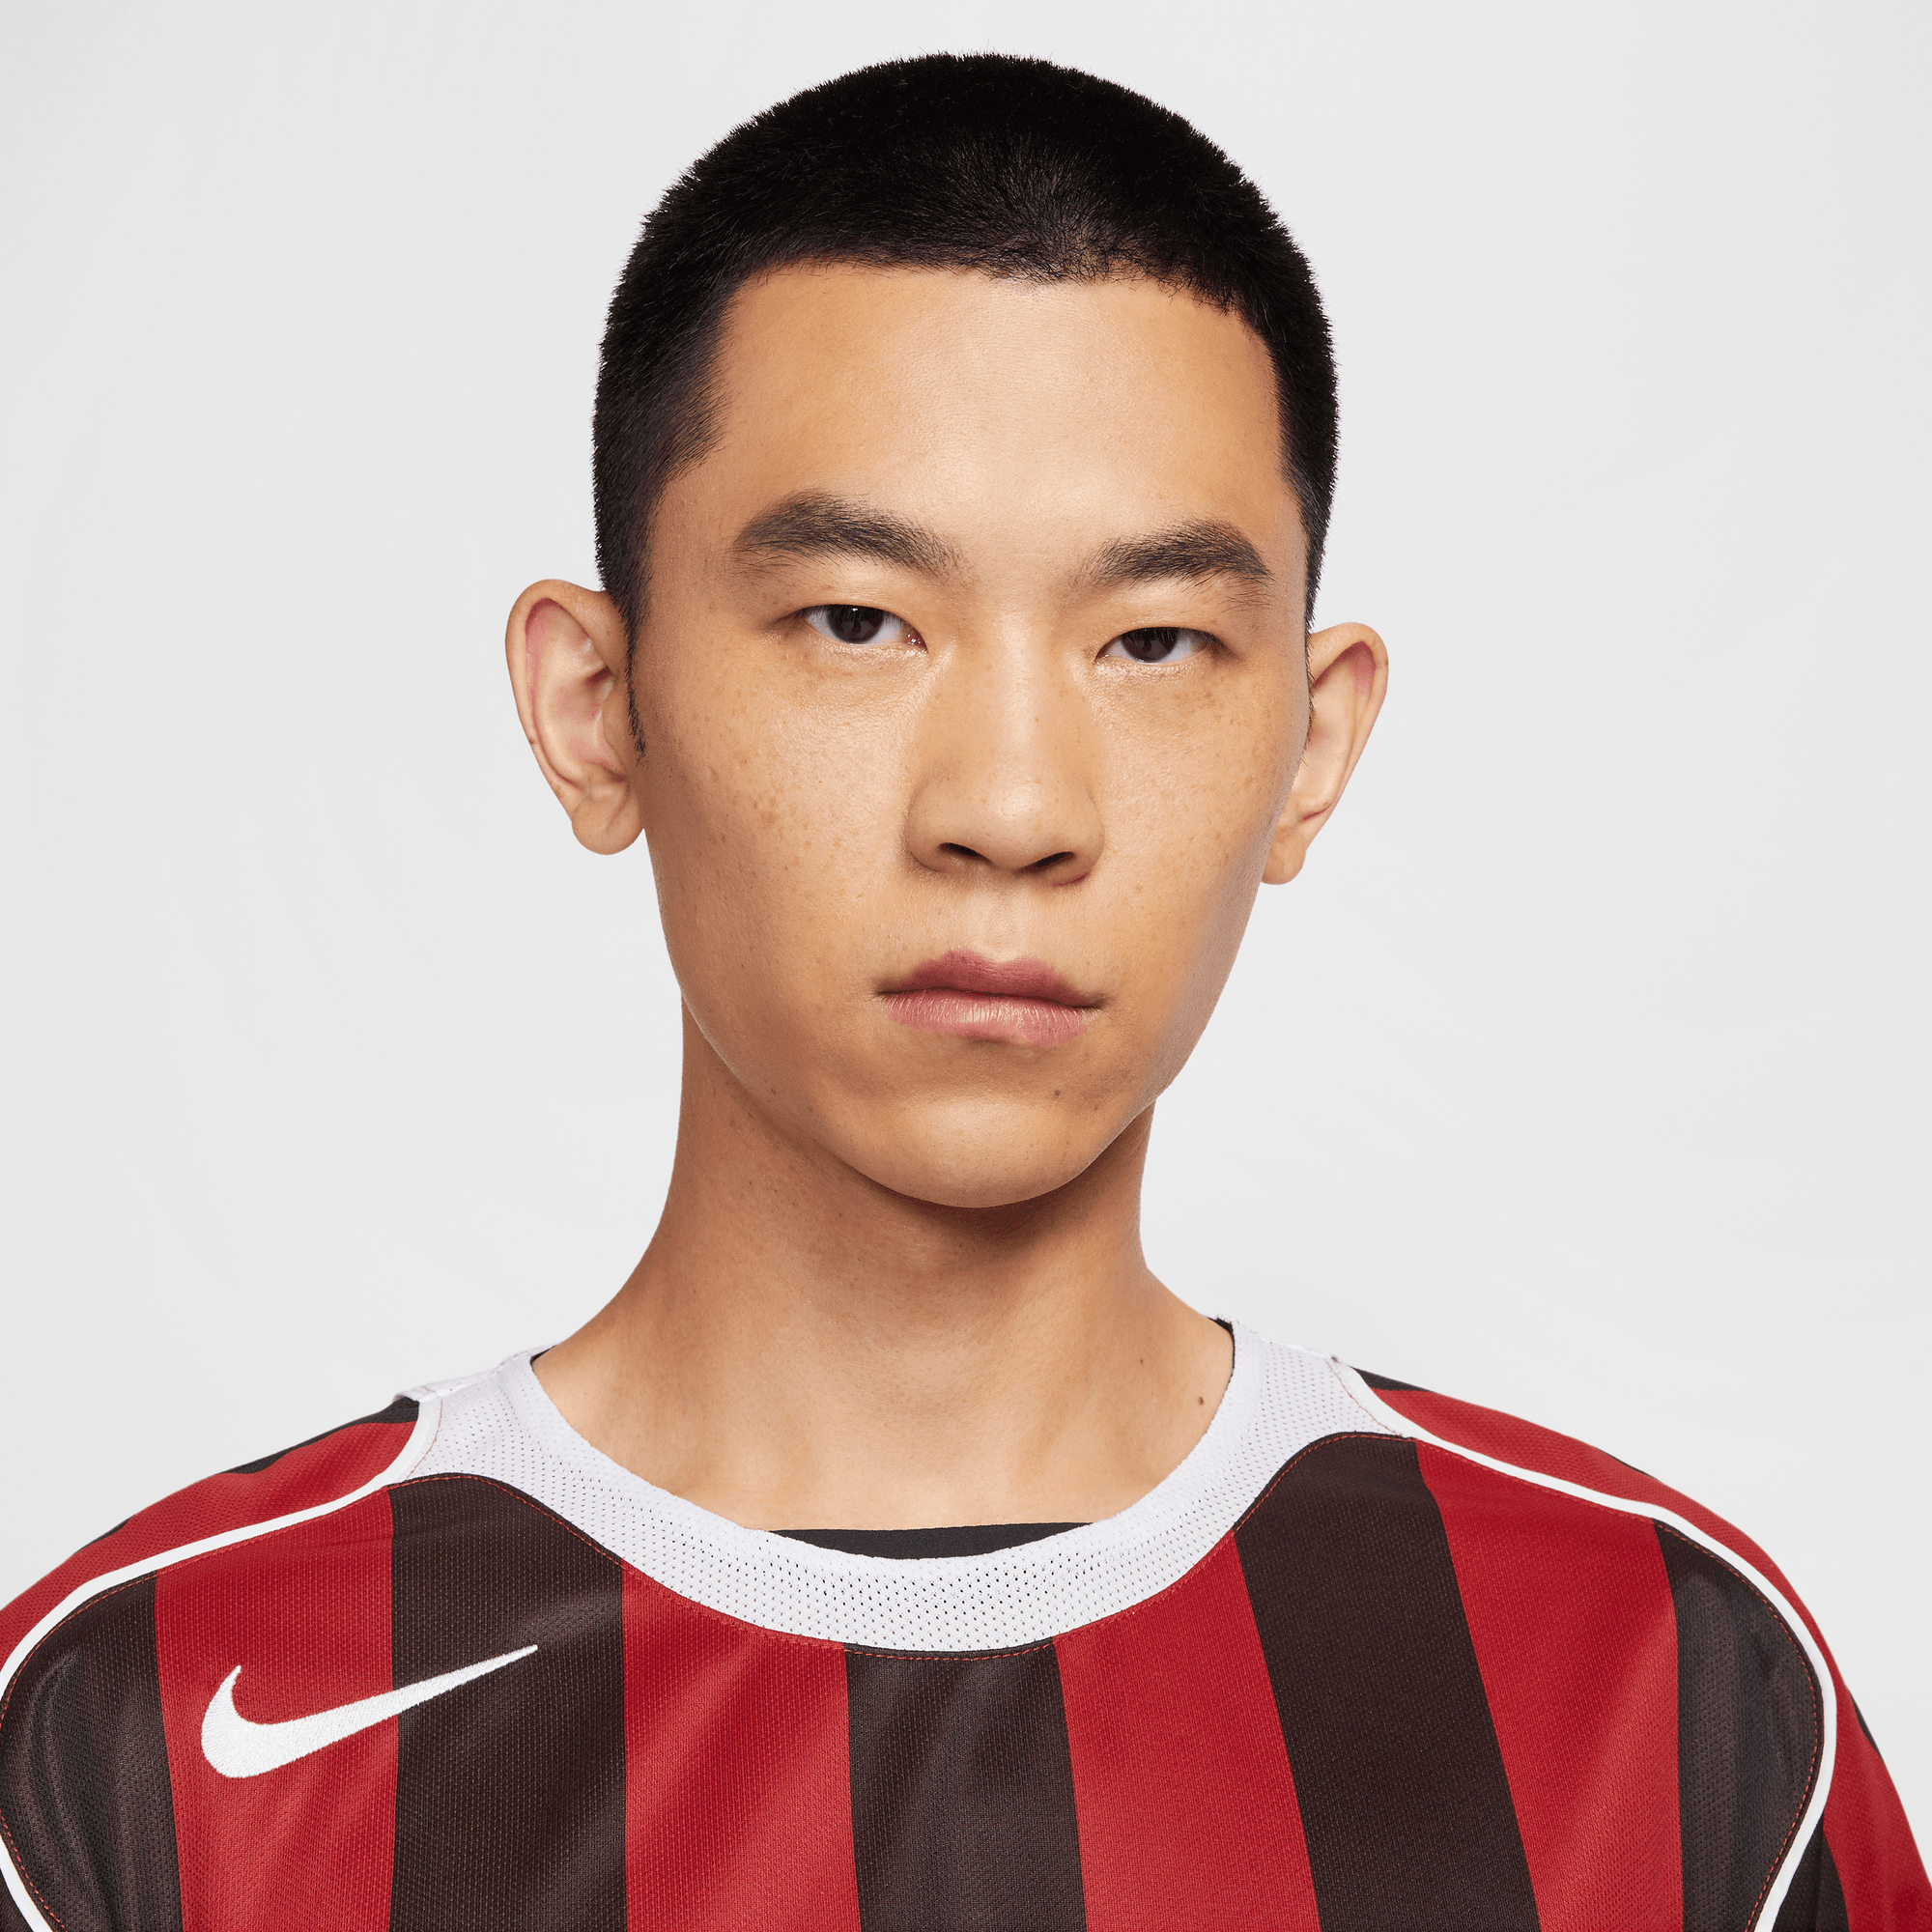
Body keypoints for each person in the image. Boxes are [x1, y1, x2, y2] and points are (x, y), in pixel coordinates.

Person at [0, 51, 1922, 1932]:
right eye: (858, 621)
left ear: (1312, 747)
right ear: (596, 708)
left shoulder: (1668, 1695)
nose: (1010, 808)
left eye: (1153, 641)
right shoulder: (134, 1730)